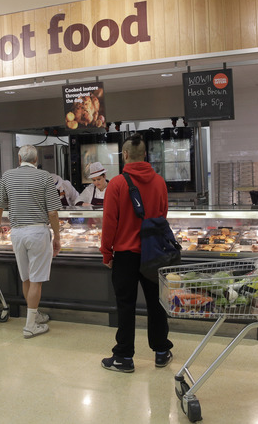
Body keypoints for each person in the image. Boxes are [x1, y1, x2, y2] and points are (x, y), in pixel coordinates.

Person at [99, 134, 174, 372]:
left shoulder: (116, 184)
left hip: (125, 254)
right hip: (154, 253)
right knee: (156, 304)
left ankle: (123, 357)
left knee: (125, 305)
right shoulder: (159, 182)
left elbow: (109, 223)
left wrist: (106, 253)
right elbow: (163, 215)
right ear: (145, 155)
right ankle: (161, 351)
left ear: (125, 155)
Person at [0, 145, 62, 338]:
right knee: (36, 280)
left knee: (26, 278)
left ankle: (35, 314)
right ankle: (30, 325)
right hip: (37, 232)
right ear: (36, 160)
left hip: (16, 233)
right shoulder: (44, 176)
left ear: (19, 159)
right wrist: (57, 237)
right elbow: (53, 213)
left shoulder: (7, 176)